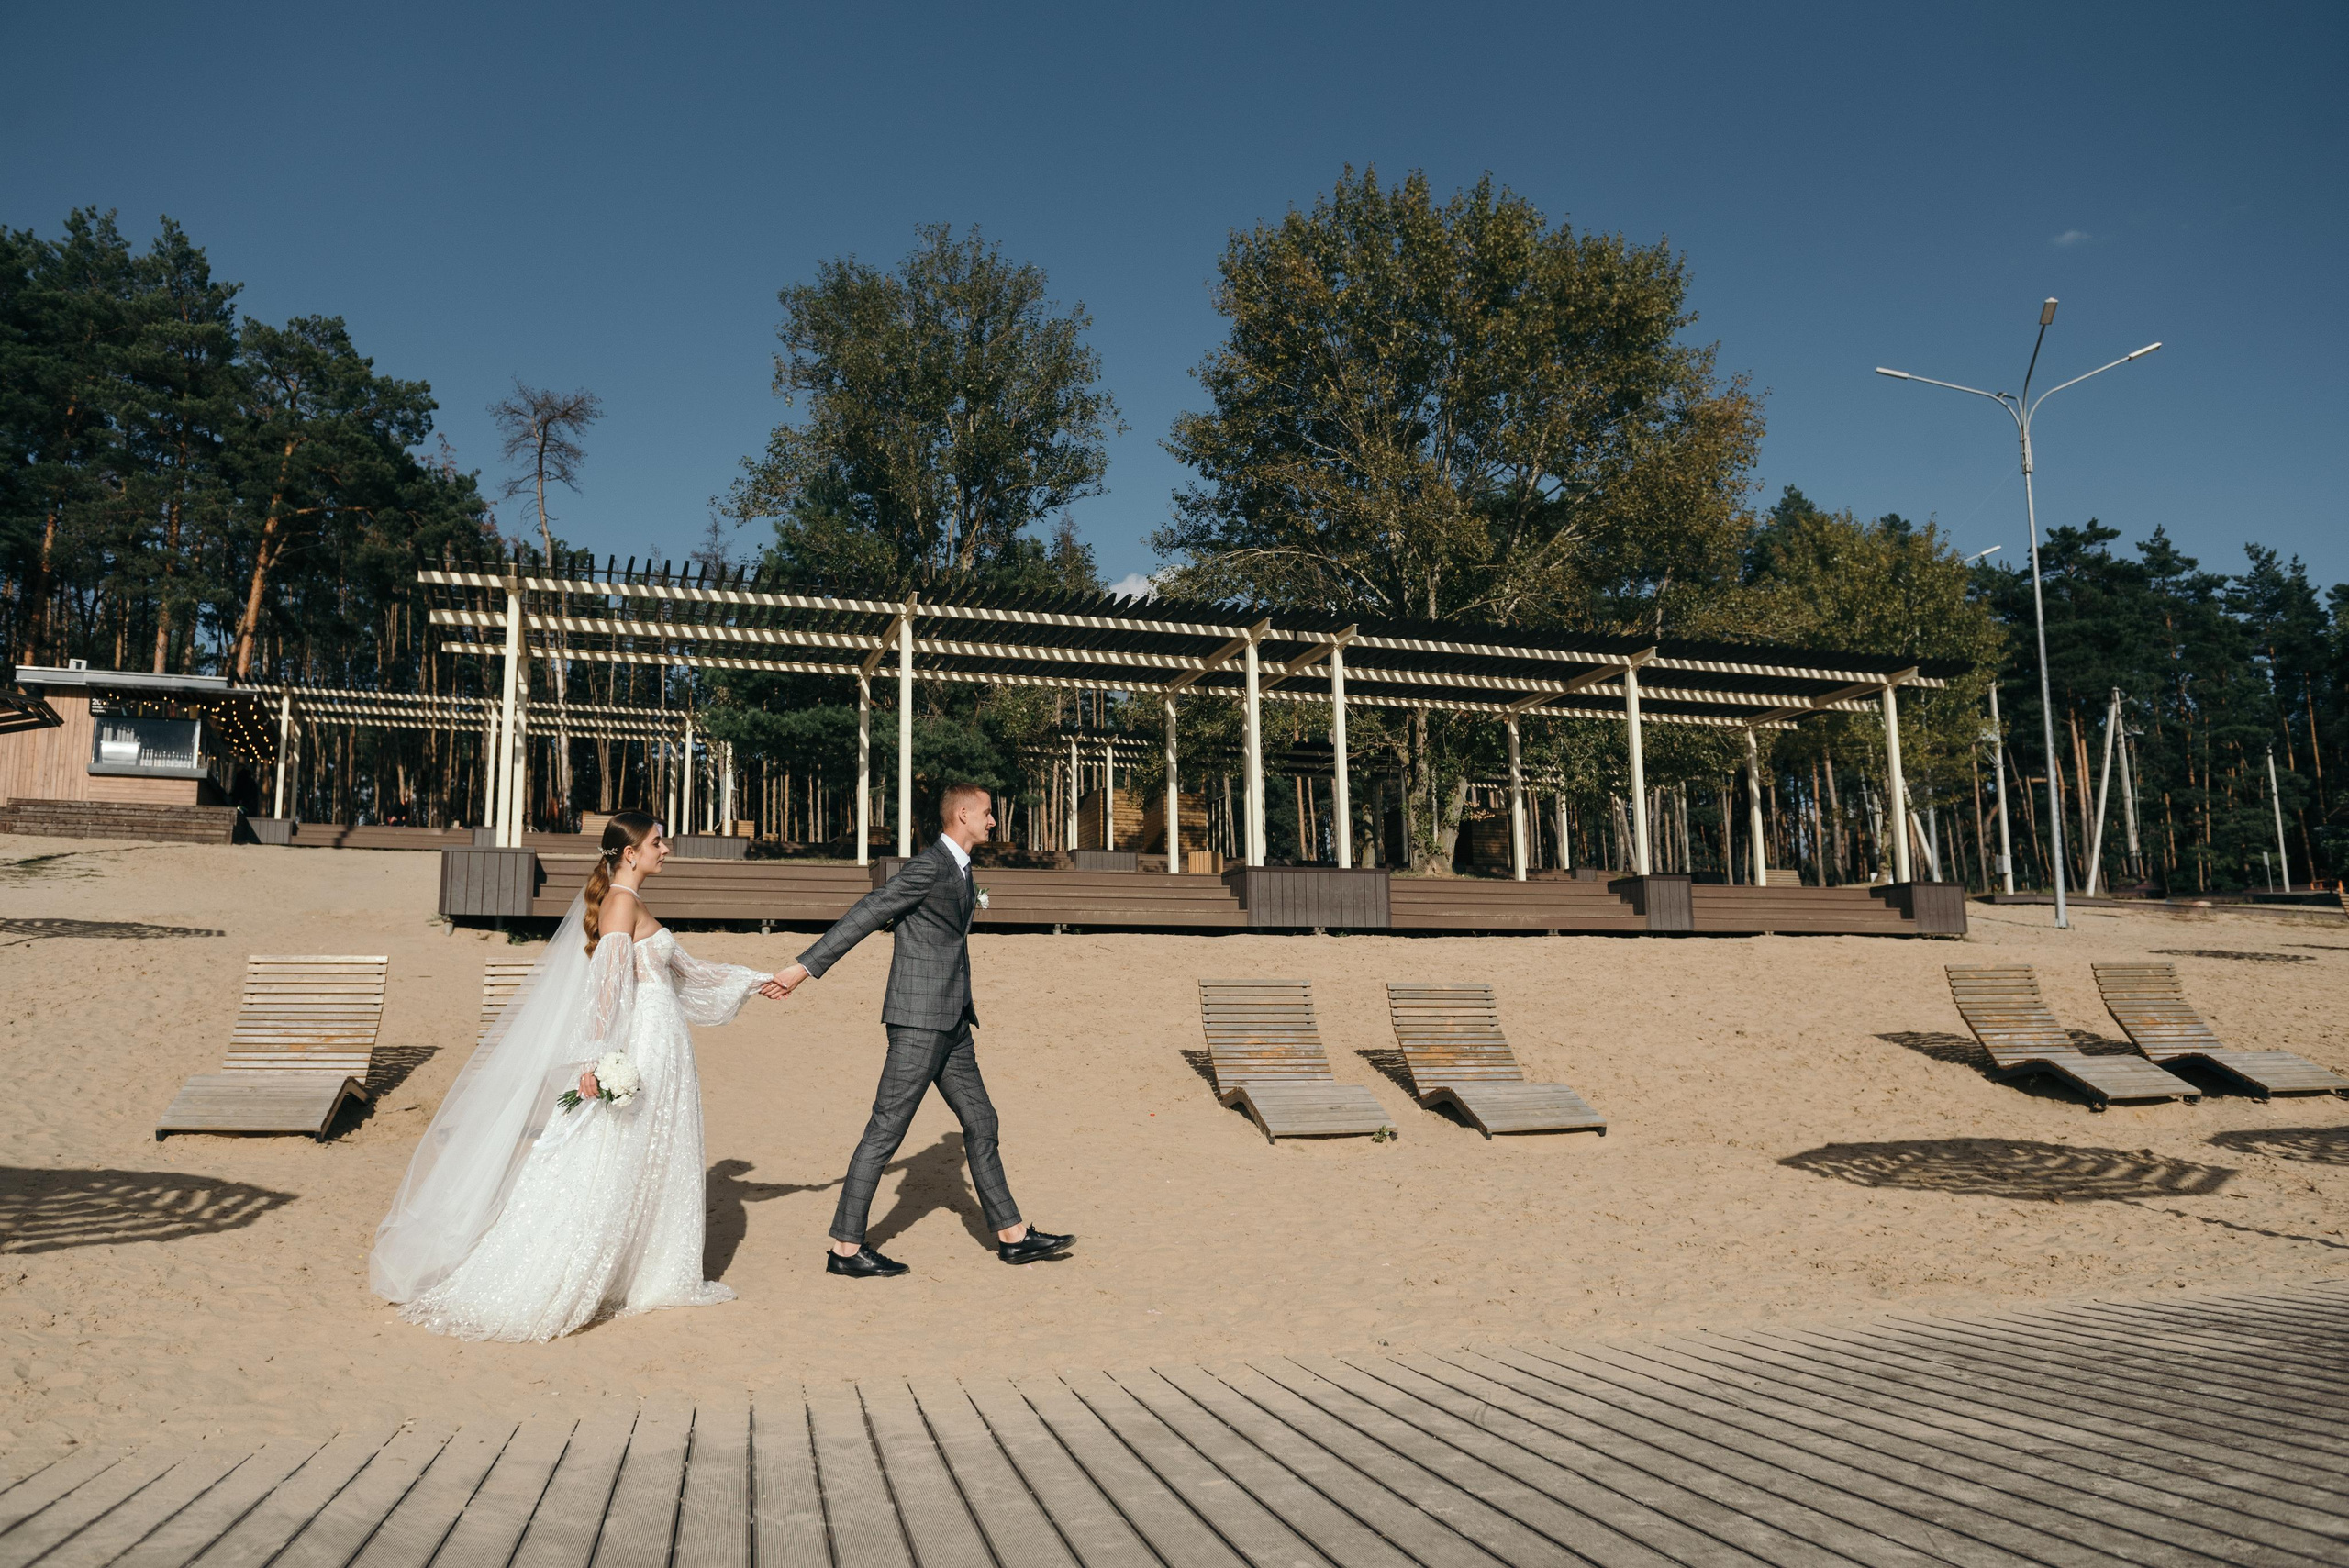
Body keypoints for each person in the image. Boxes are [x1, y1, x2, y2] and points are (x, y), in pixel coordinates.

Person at [369, 811, 774, 1340]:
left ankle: (644, 1270)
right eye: (658, 842)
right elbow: (604, 989)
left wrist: (763, 980)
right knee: (614, 1152)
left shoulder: (632, 901)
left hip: (666, 1041)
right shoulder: (620, 904)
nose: (666, 849)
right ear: (630, 853)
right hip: (646, 1043)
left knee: (653, 1150)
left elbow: (689, 973)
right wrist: (594, 1060)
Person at [768, 782, 1072, 1277]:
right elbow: (870, 911)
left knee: (982, 1122)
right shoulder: (929, 866)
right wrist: (803, 969)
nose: (994, 822)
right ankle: (845, 1249)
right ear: (964, 815)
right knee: (885, 1130)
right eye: (988, 814)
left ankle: (1013, 1236)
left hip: (952, 1022)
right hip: (917, 1022)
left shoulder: (962, 868)